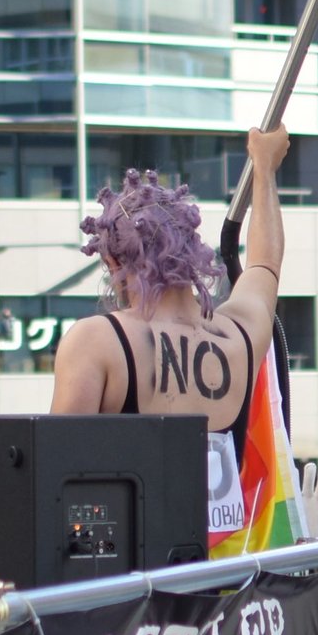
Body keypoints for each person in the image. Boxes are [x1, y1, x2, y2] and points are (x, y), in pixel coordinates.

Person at [52, 134, 288, 469]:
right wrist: (265, 170)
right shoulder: (240, 335)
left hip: (137, 523)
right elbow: (265, 265)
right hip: (230, 525)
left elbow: (57, 471)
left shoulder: (96, 341)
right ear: (192, 251)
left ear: (114, 264)